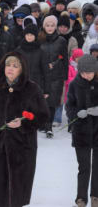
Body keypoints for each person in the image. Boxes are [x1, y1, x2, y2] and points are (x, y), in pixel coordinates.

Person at [0, 52, 49, 207]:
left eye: (15, 66)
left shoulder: (32, 89)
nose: (10, 68)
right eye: (8, 65)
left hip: (21, 150)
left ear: (22, 69)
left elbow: (43, 116)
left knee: (16, 194)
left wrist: (23, 124)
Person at [65, 54, 98, 207]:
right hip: (81, 133)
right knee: (84, 167)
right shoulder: (74, 84)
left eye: (89, 72)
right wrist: (76, 113)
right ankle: (81, 198)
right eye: (83, 72)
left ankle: (95, 196)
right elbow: (69, 105)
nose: (86, 75)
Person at [39, 15, 69, 138]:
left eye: (52, 25)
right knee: (42, 101)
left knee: (52, 102)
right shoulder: (39, 39)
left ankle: (49, 126)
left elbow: (64, 59)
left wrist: (64, 75)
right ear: (44, 26)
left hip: (56, 76)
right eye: (47, 25)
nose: (50, 27)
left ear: (55, 26)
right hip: (42, 76)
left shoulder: (61, 41)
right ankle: (42, 123)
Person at [15, 24, 49, 95]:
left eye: (31, 35)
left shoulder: (40, 52)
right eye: (27, 34)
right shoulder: (18, 51)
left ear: (35, 36)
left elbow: (45, 71)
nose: (29, 37)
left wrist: (46, 90)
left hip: (36, 85)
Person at [54, 49, 84, 127]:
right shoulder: (70, 66)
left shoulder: (83, 66)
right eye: (77, 57)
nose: (79, 59)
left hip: (80, 91)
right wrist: (77, 80)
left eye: (80, 57)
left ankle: (75, 121)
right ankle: (57, 119)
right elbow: (67, 79)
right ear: (74, 57)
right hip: (69, 90)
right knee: (63, 105)